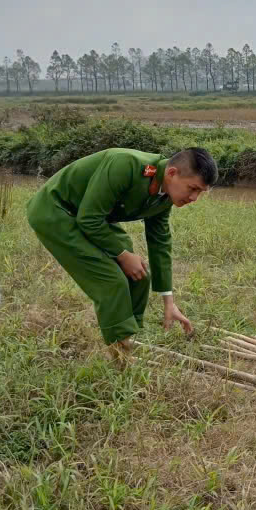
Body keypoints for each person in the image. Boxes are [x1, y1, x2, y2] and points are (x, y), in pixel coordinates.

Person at [26, 146, 218, 363]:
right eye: (192, 188)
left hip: (90, 216)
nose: (194, 198)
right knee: (112, 282)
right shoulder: (126, 166)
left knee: (139, 276)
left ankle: (123, 336)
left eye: (200, 192)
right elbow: (89, 219)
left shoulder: (165, 194)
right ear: (172, 173)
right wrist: (122, 255)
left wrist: (169, 302)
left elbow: (160, 242)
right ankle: (120, 357)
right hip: (56, 210)